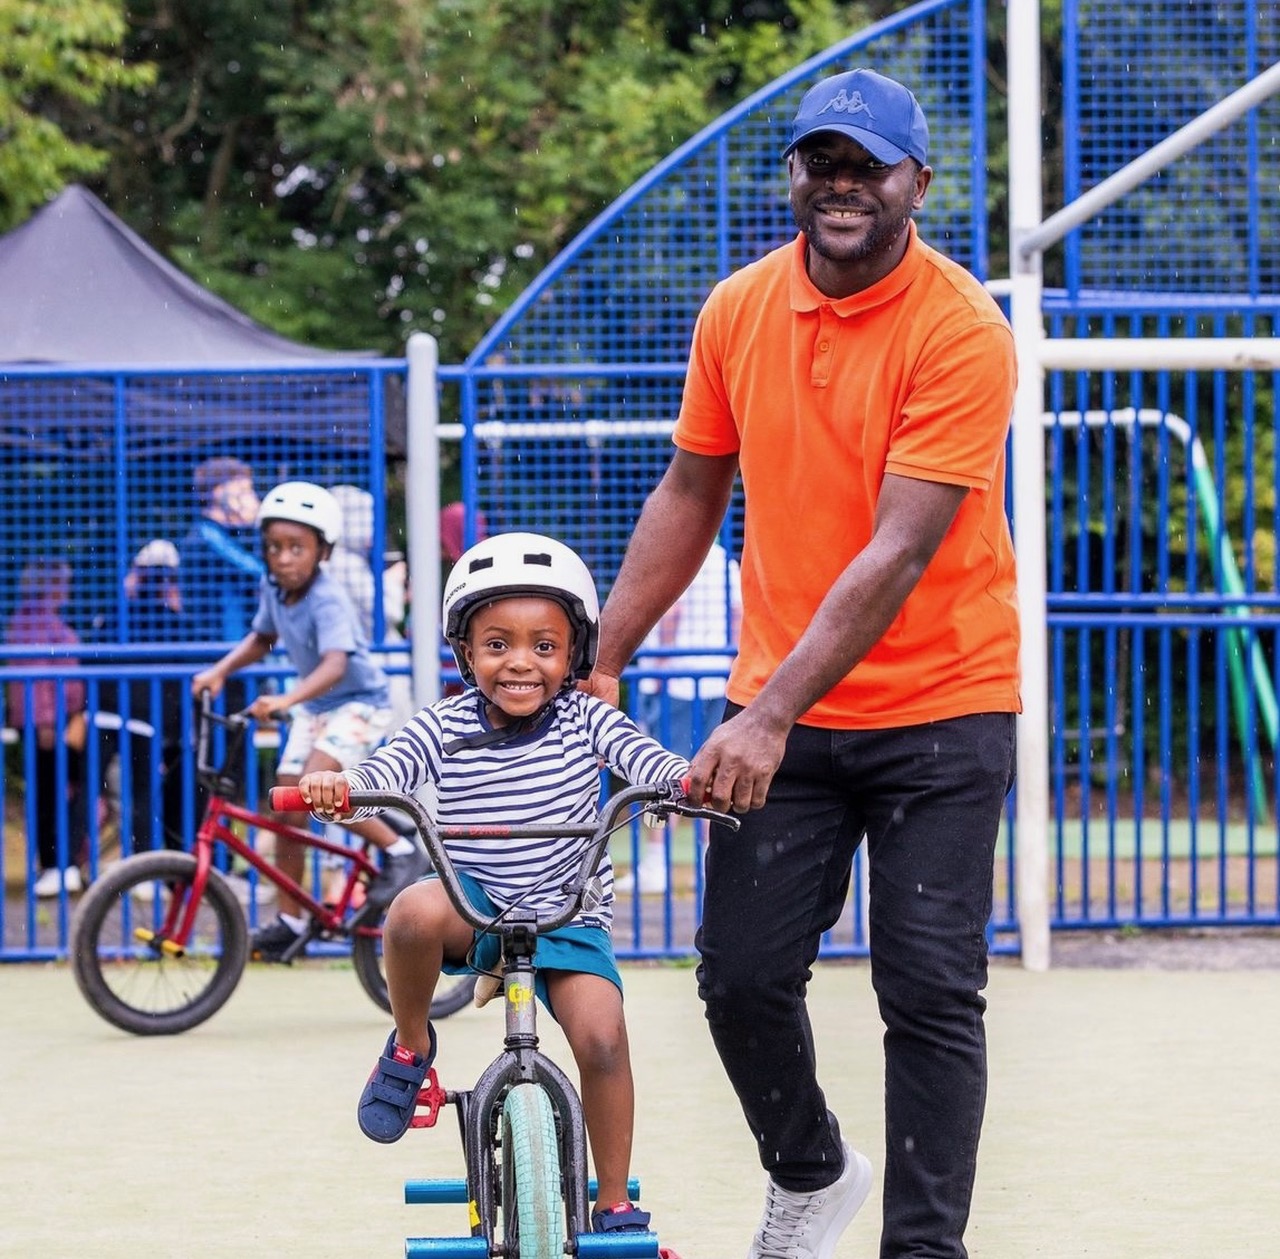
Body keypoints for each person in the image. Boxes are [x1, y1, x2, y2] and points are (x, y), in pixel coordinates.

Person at [585, 67, 1020, 1259]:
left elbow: (897, 546)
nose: (840, 186)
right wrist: (601, 657)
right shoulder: (735, 309)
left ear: (913, 184)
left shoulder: (958, 329)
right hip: (782, 705)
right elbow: (690, 487)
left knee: (928, 989)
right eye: (819, 162)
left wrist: (766, 712)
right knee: (736, 977)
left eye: (864, 166)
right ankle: (811, 1171)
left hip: (941, 702)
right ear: (794, 175)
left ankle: (921, 1247)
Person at [295, 532, 688, 1237]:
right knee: (412, 909)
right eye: (497, 642)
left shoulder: (588, 718)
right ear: (466, 651)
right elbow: (384, 770)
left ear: (575, 656)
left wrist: (685, 780)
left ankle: (614, 1204)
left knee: (602, 1039)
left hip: (568, 915)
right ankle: (411, 1047)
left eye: (545, 645)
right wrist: (341, 786)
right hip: (477, 903)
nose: (520, 662)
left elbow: (644, 757)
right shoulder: (442, 726)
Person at [191, 481, 429, 960]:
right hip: (316, 708)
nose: (283, 559)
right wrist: (219, 671)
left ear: (323, 551)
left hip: (358, 701)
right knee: (287, 806)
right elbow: (261, 638)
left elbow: (335, 664)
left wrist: (284, 702)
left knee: (315, 786)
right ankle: (290, 918)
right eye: (275, 548)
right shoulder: (274, 589)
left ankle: (401, 851)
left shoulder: (327, 598)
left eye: (296, 548)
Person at [621, 539, 742, 894]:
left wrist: (660, 662)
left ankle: (657, 862)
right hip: (717, 677)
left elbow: (672, 613)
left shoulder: (677, 553)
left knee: (663, 774)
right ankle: (710, 861)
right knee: (714, 777)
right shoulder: (724, 561)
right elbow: (739, 616)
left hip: (678, 680)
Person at [6, 561, 88, 896]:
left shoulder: (39, 617)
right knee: (53, 793)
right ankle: (57, 863)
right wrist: (45, 721)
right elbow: (37, 675)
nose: (67, 587)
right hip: (47, 724)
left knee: (57, 790)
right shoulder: (34, 620)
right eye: (62, 581)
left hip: (55, 720)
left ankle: (61, 863)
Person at [119, 540, 189, 854]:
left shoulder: (126, 613)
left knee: (145, 790)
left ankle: (155, 860)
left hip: (141, 713)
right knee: (144, 790)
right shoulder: (167, 620)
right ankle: (148, 859)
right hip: (145, 715)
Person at [178, 456, 265, 646]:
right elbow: (258, 571)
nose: (252, 499)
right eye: (243, 492)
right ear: (218, 493)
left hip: (237, 647)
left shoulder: (231, 535)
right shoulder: (206, 535)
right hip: (217, 648)